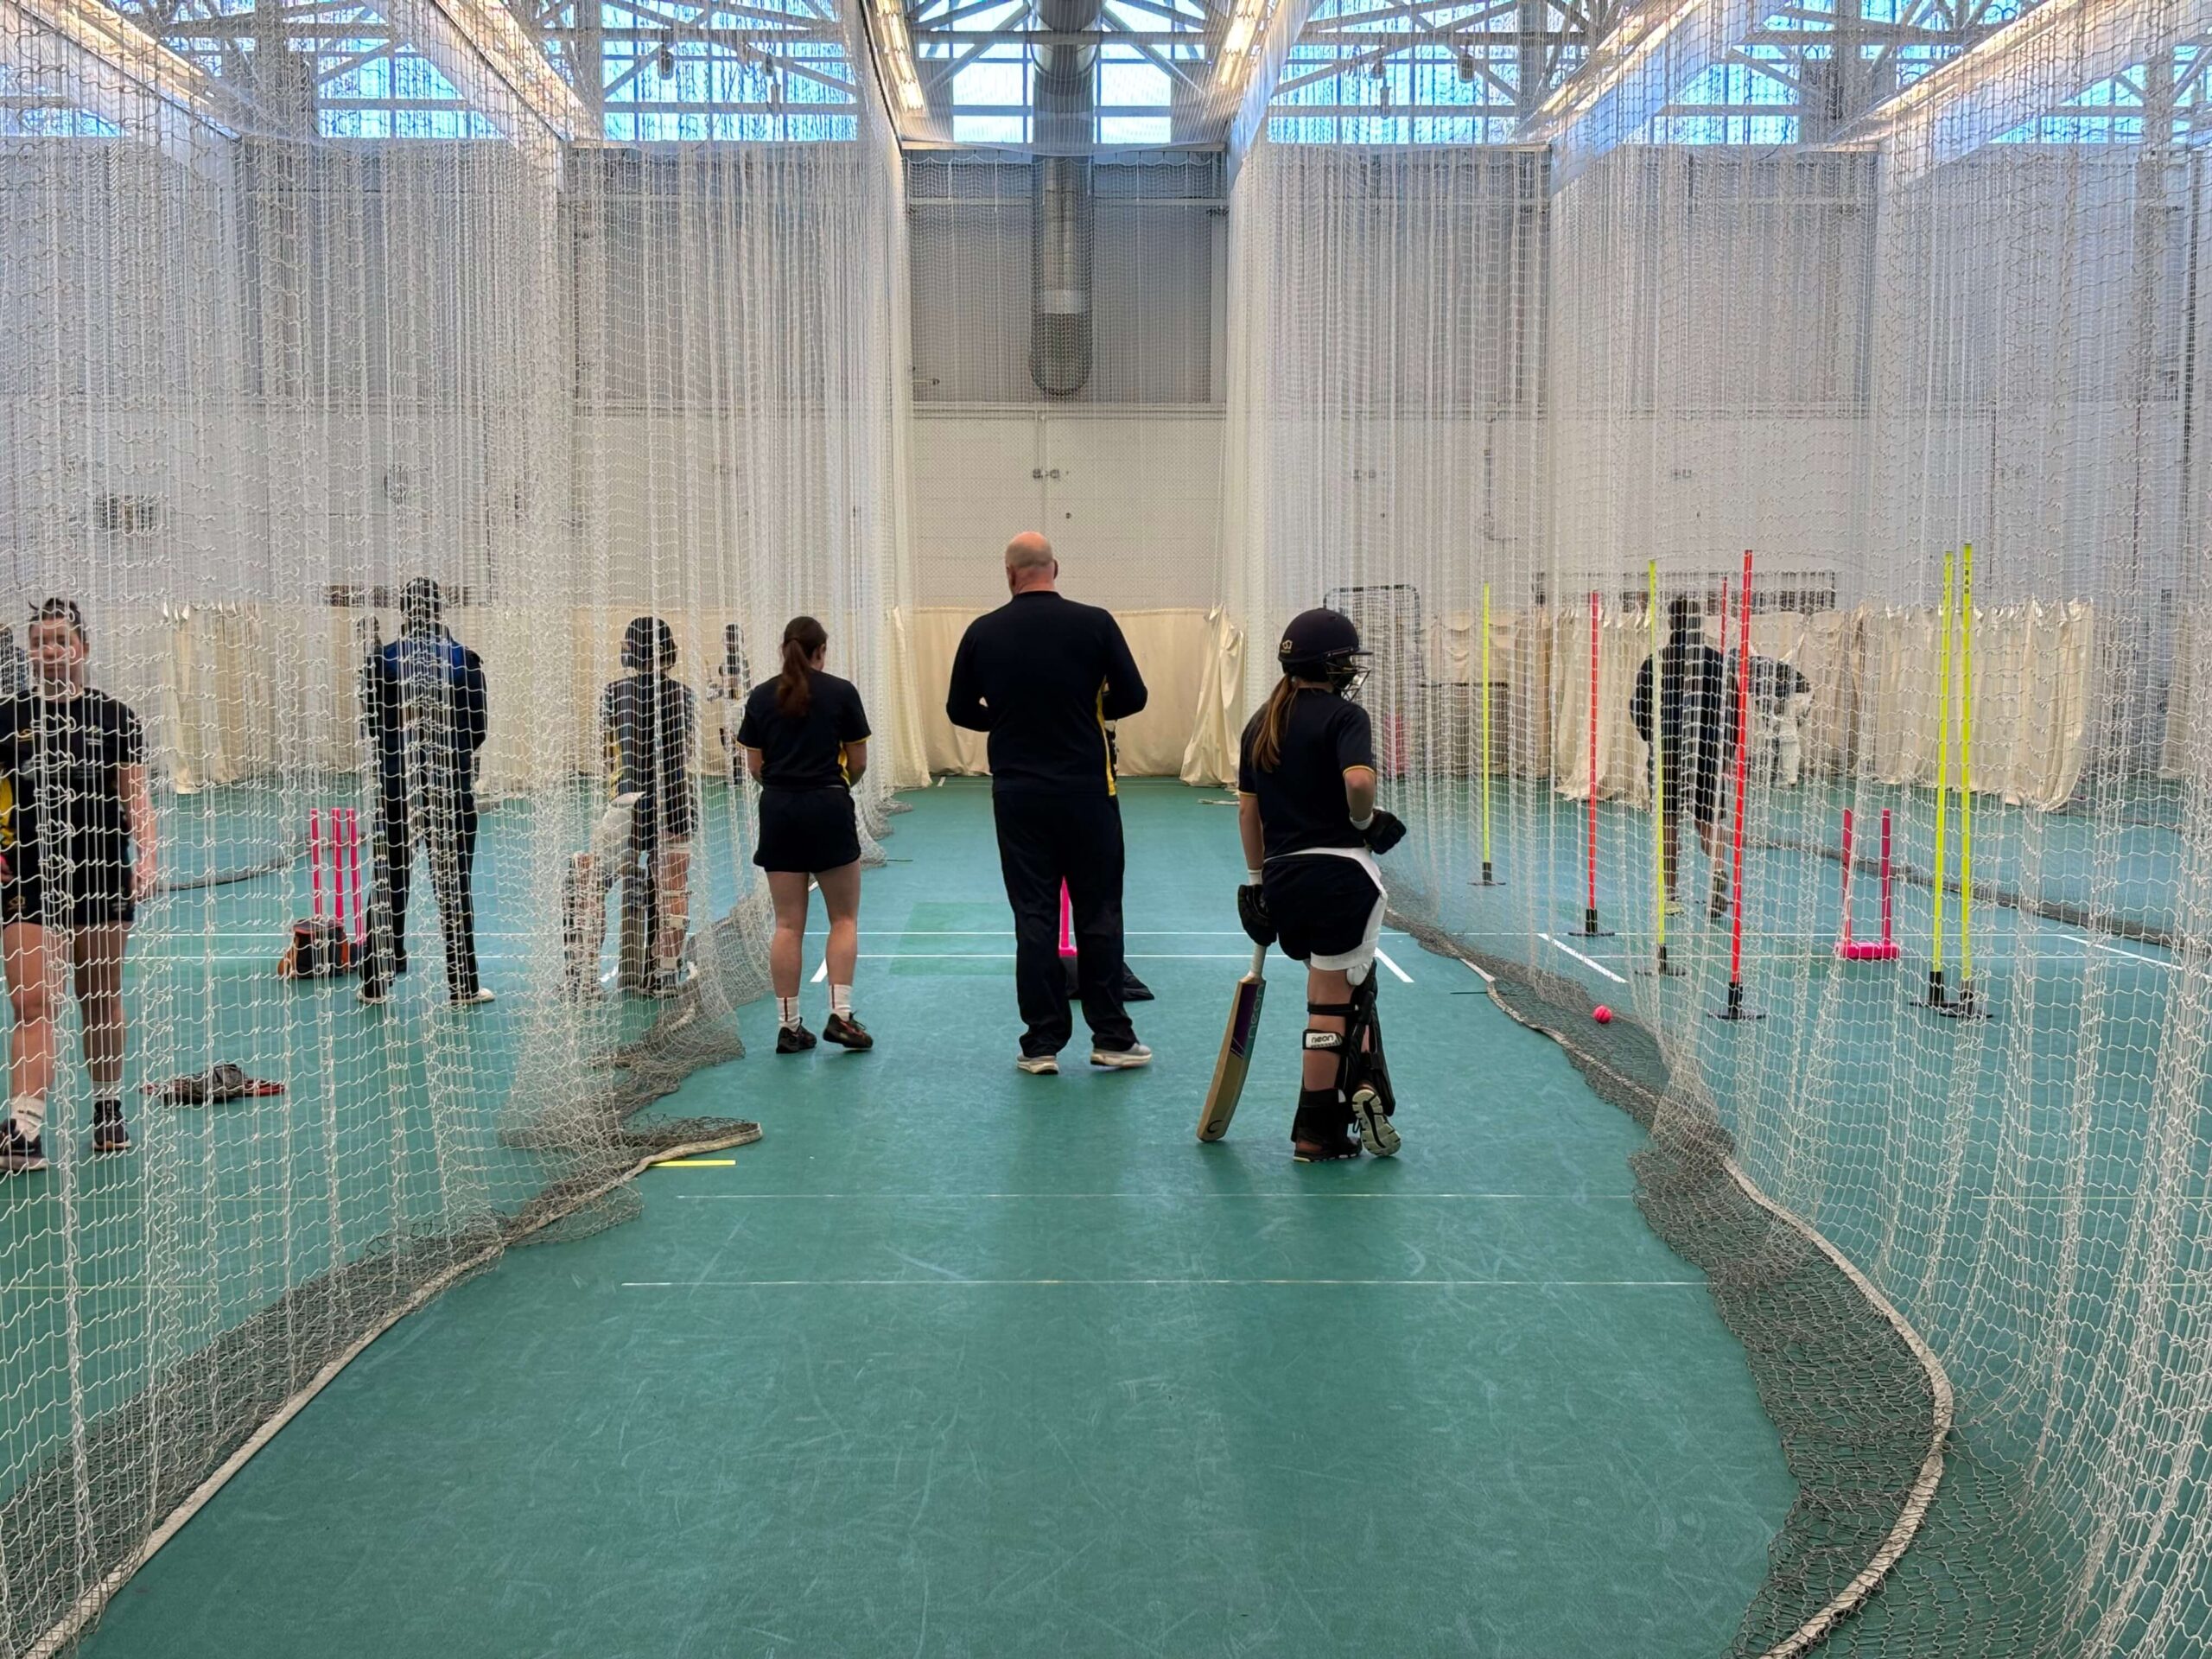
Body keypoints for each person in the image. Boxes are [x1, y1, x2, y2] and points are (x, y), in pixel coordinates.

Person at [946, 532, 1150, 1074]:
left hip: (1018, 795)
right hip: (1088, 791)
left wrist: (1010, 718)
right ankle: (1111, 1037)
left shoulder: (982, 632)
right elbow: (1134, 695)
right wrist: (1086, 704)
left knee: (1033, 915)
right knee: (1100, 910)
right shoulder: (1095, 623)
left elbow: (959, 708)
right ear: (1054, 568)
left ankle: (1040, 1045)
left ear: (1009, 574)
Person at [1235, 608, 1406, 1162]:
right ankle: (1317, 1129)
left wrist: (1259, 882)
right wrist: (1362, 820)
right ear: (1330, 664)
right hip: (1340, 878)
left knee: (1349, 991)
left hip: (1285, 880)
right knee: (1331, 1003)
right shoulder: (1345, 716)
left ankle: (1358, 1090)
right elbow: (1358, 780)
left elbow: (1248, 813)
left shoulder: (1260, 723)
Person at [0, 600, 157, 1171]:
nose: (49, 649)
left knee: (99, 996)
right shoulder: (6, 718)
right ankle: (24, 1128)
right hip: (27, 874)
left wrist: (149, 856)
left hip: (100, 874)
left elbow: (135, 796)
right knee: (33, 1000)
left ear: (82, 649)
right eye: (39, 640)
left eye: (60, 639)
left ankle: (108, 1107)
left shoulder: (115, 717)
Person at [736, 616, 873, 1053]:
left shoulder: (760, 697)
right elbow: (859, 761)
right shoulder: (841, 692)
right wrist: (834, 788)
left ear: (784, 648)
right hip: (829, 807)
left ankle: (789, 1027)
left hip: (779, 810)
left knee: (788, 924)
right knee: (844, 919)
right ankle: (842, 1017)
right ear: (821, 651)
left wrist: (785, 789)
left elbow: (755, 767)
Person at [361, 577, 490, 1006]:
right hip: (450, 785)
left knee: (389, 879)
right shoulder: (463, 660)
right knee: (453, 883)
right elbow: (478, 731)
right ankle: (463, 985)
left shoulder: (383, 660)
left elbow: (374, 728)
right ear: (440, 610)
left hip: (398, 787)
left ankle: (375, 981)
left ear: (405, 612)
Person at [601, 616, 698, 996]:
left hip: (626, 799)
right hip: (674, 796)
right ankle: (664, 974)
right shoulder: (683, 695)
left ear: (630, 649)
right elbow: (686, 749)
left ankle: (581, 975)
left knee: (597, 878)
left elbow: (608, 755)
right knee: (672, 886)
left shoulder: (613, 692)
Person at [1630, 596, 1738, 918]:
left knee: (1669, 823)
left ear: (1671, 623)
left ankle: (1671, 895)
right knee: (1708, 821)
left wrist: (1653, 739)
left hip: (1669, 752)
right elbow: (1733, 708)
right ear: (1698, 624)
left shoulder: (1656, 662)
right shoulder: (1718, 663)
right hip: (1708, 751)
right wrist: (1727, 748)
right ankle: (1718, 870)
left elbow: (1637, 707)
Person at [1749, 653, 1812, 787]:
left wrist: (1781, 706)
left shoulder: (1781, 673)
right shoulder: (1755, 682)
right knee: (1774, 737)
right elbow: (1761, 703)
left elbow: (1798, 690)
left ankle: (1791, 778)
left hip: (1799, 698)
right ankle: (1775, 773)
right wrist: (1770, 719)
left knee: (1788, 736)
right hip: (1786, 701)